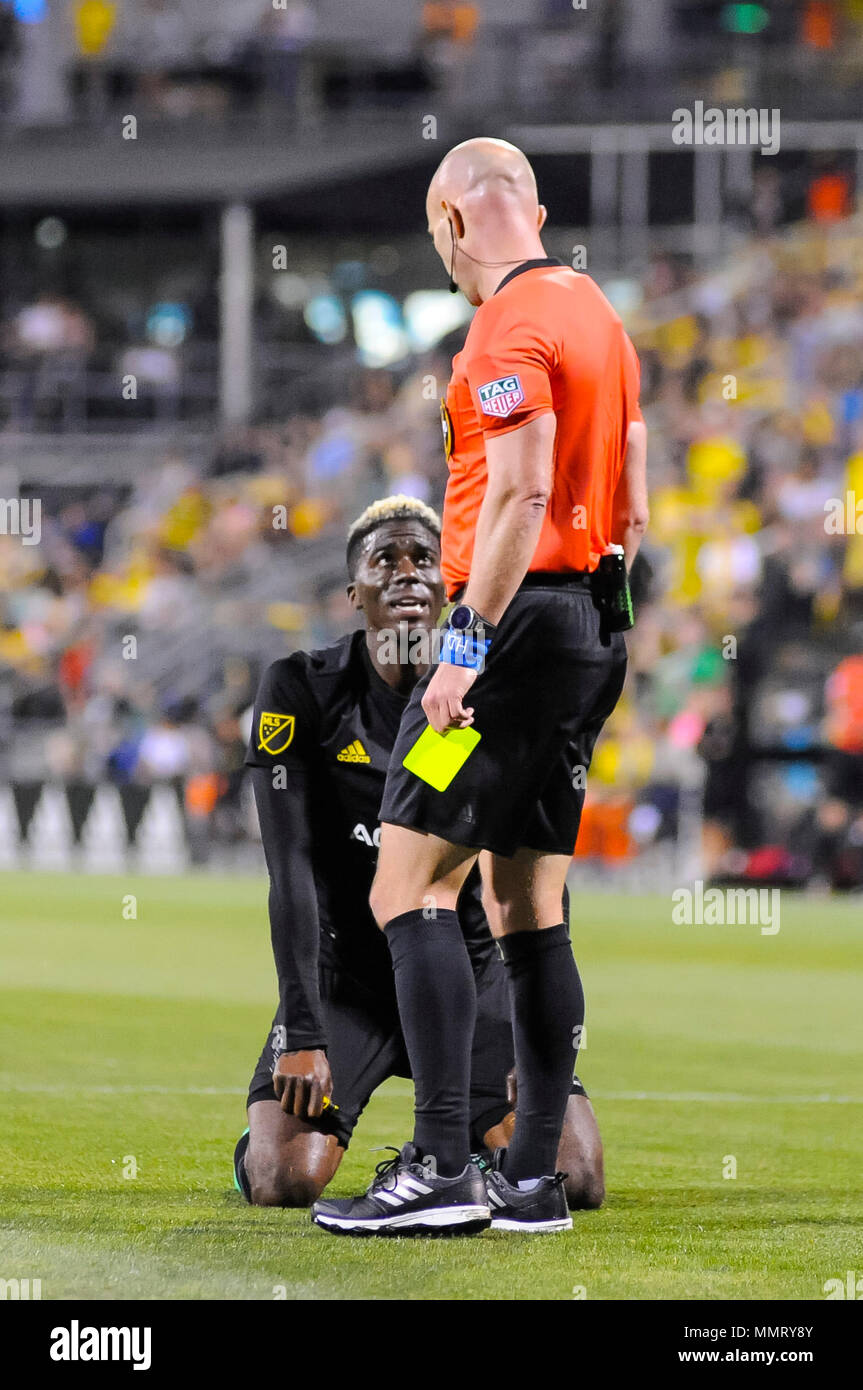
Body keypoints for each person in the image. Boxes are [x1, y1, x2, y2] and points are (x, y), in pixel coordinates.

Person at [312, 138, 647, 1237]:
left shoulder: (502, 325)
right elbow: (630, 507)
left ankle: (441, 1162)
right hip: (594, 622)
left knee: (405, 884)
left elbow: (519, 491)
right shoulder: (600, 315)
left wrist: (464, 646)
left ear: (451, 222)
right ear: (535, 209)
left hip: (505, 637)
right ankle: (533, 1180)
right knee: (526, 902)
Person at [234, 495, 605, 1213]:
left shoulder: (494, 694)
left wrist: (541, 1046)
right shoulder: (300, 688)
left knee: (578, 1178)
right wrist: (303, 1029)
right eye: (384, 561)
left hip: (471, 973)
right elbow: (291, 873)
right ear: (354, 593)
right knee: (283, 1181)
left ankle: (442, 1157)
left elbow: (538, 878)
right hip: (355, 984)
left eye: (423, 560)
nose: (406, 574)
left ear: (451, 584)